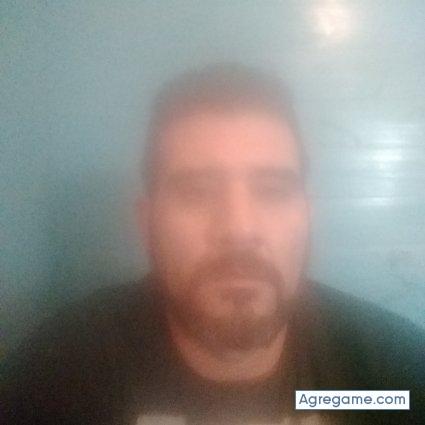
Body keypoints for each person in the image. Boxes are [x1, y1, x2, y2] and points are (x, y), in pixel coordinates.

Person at [2, 64, 424, 425]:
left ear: (307, 216)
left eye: (272, 190)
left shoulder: (387, 379)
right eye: (197, 192)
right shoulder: (61, 379)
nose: (239, 228)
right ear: (147, 223)